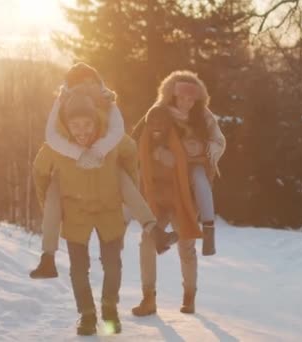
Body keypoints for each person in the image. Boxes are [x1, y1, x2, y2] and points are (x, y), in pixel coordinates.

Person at [30, 63, 176, 280]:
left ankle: (154, 231)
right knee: (54, 191)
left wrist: (101, 151)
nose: (86, 86)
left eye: (91, 82)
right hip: (70, 160)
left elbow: (118, 132)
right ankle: (48, 257)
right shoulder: (63, 102)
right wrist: (77, 154)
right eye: (81, 82)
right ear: (71, 86)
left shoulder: (106, 103)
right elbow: (51, 135)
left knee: (121, 179)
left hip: (103, 156)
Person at [32, 88, 137, 335]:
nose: (81, 131)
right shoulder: (55, 147)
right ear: (67, 125)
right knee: (79, 269)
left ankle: (110, 310)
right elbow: (39, 172)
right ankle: (87, 315)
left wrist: (127, 201)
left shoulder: (111, 140)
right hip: (75, 213)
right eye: (75, 125)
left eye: (87, 124)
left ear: (96, 121)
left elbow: (131, 153)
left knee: (113, 265)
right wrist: (51, 205)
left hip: (109, 210)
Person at [131, 70, 225, 316]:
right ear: (171, 95)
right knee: (147, 242)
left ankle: (189, 295)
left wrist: (200, 150)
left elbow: (217, 141)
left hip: (185, 195)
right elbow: (136, 143)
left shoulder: (203, 118)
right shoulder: (157, 114)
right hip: (159, 193)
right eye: (181, 97)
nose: (186, 103)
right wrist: (157, 154)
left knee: (186, 246)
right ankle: (148, 298)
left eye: (191, 99)